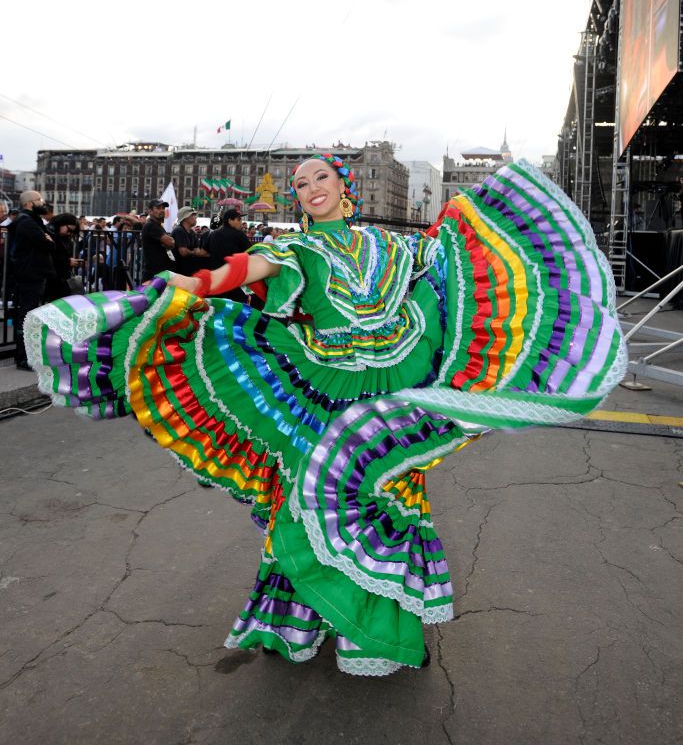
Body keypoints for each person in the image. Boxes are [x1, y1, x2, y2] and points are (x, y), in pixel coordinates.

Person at [24, 155, 626, 676]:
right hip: (316, 390)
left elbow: (441, 273)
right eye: (300, 183)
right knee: (309, 501)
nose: (310, 188)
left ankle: (371, 633)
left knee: (385, 499)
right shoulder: (293, 247)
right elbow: (247, 270)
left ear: (345, 187)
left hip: (388, 394)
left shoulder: (393, 245)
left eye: (320, 177)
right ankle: (303, 626)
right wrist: (196, 282)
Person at [9, 190, 55, 369]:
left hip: (33, 272)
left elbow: (51, 242)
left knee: (30, 314)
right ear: (29, 204)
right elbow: (48, 243)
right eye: (38, 200)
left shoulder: (31, 221)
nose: (42, 202)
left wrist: (49, 240)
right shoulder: (27, 222)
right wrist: (48, 240)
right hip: (30, 274)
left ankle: (26, 355)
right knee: (28, 315)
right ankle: (23, 357)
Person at [207, 208, 251, 302]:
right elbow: (250, 252)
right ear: (230, 220)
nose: (241, 222)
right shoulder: (239, 234)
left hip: (216, 277)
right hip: (233, 278)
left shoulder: (214, 233)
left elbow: (204, 252)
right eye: (238, 219)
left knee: (217, 306)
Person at [45, 213, 83, 302]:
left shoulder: (63, 236)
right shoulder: (50, 234)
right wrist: (67, 261)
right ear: (61, 223)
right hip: (52, 277)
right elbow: (49, 255)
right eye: (69, 229)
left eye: (72, 231)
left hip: (61, 276)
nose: (69, 233)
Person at [140, 198, 176, 281]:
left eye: (163, 208)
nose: (162, 210)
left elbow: (170, 244)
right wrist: (169, 241)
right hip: (153, 275)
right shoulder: (151, 226)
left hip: (160, 274)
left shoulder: (158, 226)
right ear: (150, 211)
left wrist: (168, 242)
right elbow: (170, 243)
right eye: (158, 208)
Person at [171, 206, 209, 277]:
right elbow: (183, 252)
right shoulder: (179, 230)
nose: (196, 217)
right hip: (178, 271)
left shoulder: (192, 232)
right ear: (185, 217)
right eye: (193, 215)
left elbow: (197, 250)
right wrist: (194, 252)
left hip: (188, 270)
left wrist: (208, 254)